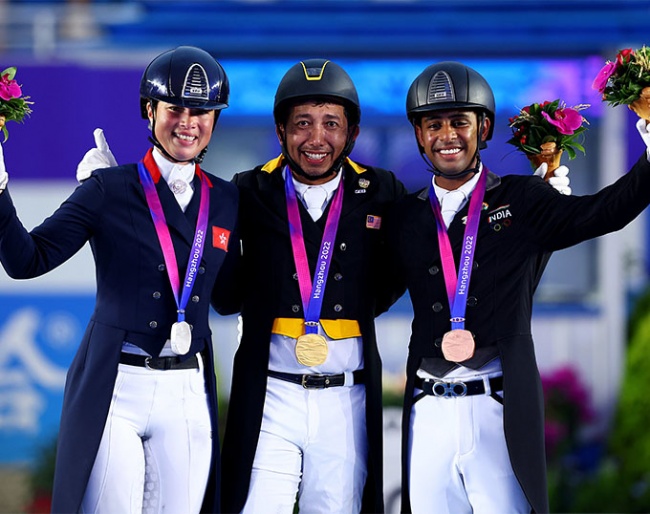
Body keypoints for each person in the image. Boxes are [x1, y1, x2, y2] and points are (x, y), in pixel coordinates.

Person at [385, 60, 650, 514]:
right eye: (433, 124)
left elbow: (605, 212)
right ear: (419, 135)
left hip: (497, 407)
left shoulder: (522, 199)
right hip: (428, 408)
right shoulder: (404, 215)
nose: (446, 134)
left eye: (459, 123)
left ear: (483, 128)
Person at [0, 46, 240, 513]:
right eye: (175, 109)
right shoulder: (108, 188)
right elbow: (26, 259)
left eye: (201, 112)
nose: (188, 123)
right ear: (150, 111)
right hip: (118, 388)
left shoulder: (228, 199)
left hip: (188, 390)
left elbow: (230, 295)